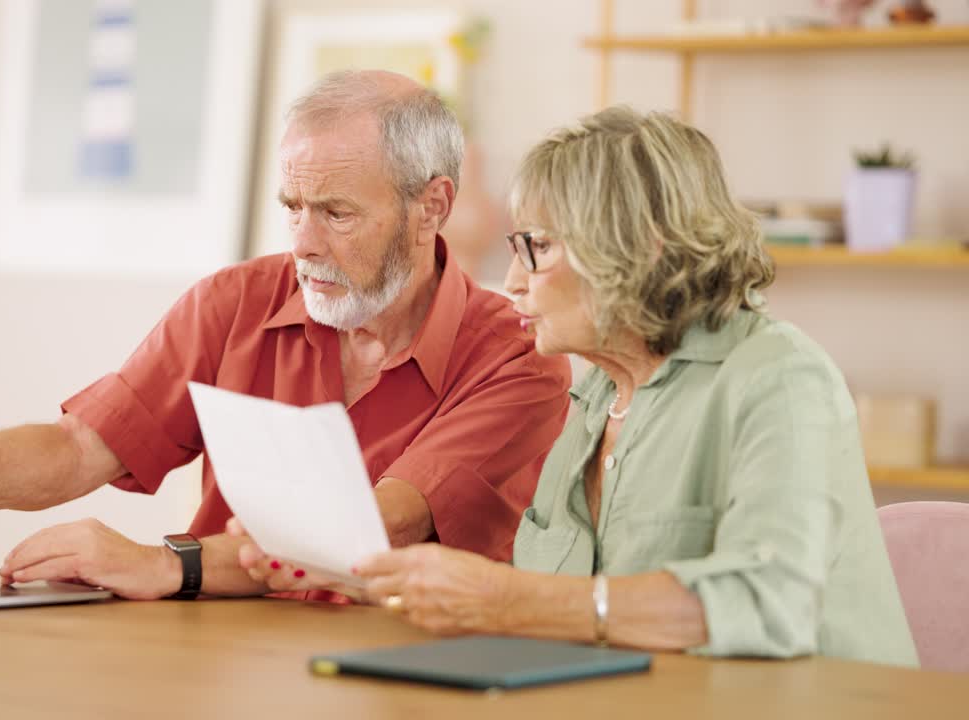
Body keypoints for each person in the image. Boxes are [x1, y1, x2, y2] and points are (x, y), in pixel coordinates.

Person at [0, 70, 571, 603]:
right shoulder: (234, 303)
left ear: (433, 207)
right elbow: (79, 447)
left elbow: (374, 531)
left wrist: (163, 564)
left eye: (336, 213)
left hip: (403, 675)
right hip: (220, 653)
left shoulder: (518, 353)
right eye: (293, 208)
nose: (304, 244)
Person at [350, 106, 918, 666]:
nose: (515, 282)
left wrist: (507, 601)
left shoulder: (780, 378)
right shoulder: (595, 398)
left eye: (538, 248)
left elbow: (767, 603)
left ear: (642, 245)